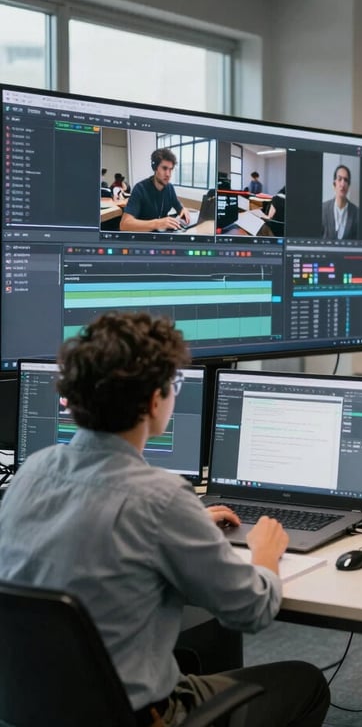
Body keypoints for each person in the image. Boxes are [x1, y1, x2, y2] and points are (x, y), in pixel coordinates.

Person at [0, 312, 330, 727]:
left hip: (31, 710)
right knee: (305, 681)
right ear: (155, 400)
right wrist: (265, 554)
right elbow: (251, 611)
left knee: (192, 657)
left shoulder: (32, 471)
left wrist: (187, 523)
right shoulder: (161, 498)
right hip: (139, 717)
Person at [120, 148, 191, 231]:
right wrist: (157, 223)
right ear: (155, 167)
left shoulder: (170, 188)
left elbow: (179, 207)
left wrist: (183, 210)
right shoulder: (140, 189)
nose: (168, 174)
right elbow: (124, 225)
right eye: (164, 168)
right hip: (144, 238)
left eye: (170, 169)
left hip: (162, 236)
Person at [321, 164, 358, 240]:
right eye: (339, 179)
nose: (342, 184)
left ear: (348, 185)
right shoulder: (323, 209)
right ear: (334, 184)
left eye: (346, 180)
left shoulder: (356, 213)